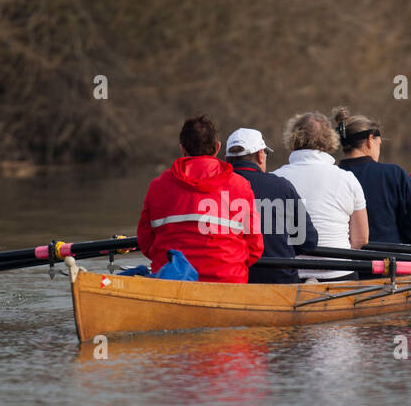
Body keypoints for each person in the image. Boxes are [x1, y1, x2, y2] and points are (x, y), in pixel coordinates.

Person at [136, 115, 264, 282]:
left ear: (182, 149)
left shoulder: (157, 186)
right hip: (227, 281)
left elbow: (145, 242)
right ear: (218, 148)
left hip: (171, 282)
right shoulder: (241, 186)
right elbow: (255, 248)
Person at [273, 112, 367, 280]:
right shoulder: (347, 179)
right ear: (330, 139)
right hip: (339, 273)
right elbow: (360, 239)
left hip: (290, 276)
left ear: (293, 139)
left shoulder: (275, 178)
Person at [225, 128, 319, 284]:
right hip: (280, 281)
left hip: (233, 282)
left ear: (227, 159)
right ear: (261, 156)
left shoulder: (214, 188)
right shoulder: (282, 186)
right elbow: (308, 242)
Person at [334, 107, 411, 246]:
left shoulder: (331, 177)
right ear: (370, 140)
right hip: (388, 262)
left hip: (344, 261)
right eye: (378, 144)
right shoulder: (393, 174)